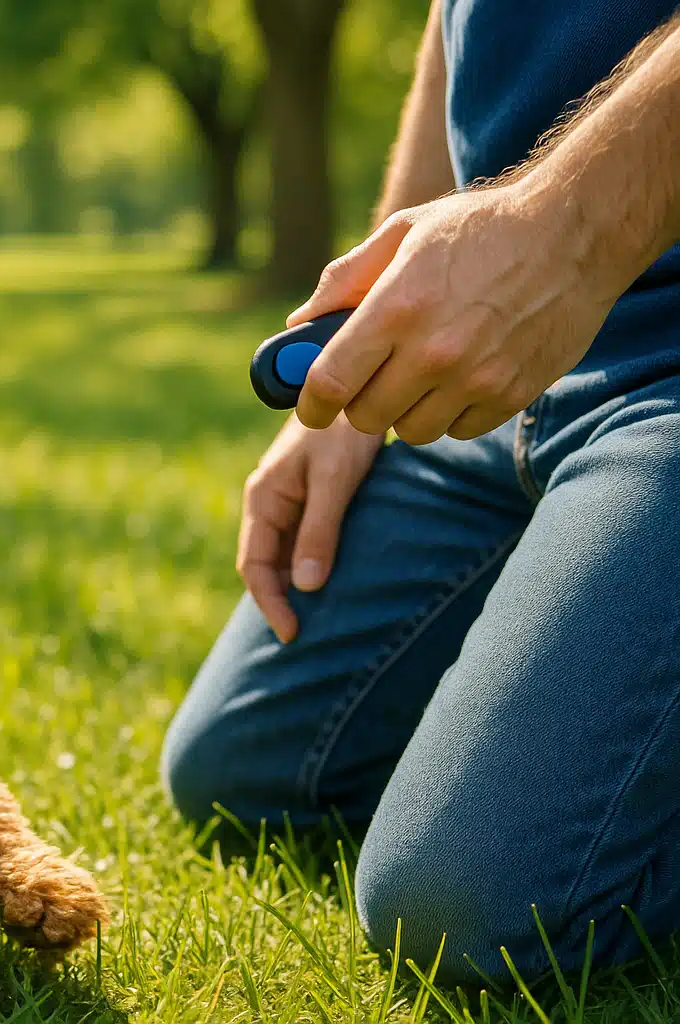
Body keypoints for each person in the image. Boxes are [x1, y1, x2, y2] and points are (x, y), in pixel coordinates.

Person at [161, 0, 680, 988]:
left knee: (462, 904)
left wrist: (563, 226)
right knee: (249, 772)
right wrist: (367, 340)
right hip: (497, 373)